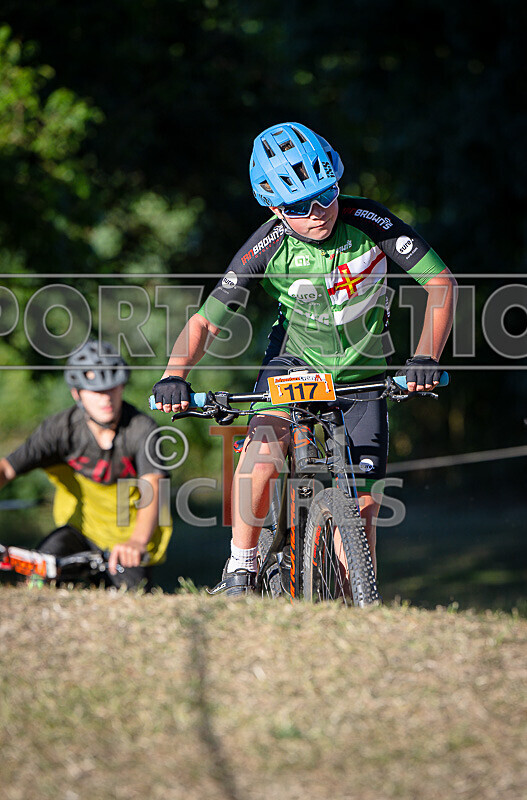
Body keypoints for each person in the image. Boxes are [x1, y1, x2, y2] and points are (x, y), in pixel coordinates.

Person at [152, 121, 457, 595]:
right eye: (299, 206)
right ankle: (242, 567)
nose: (319, 212)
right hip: (293, 363)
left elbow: (441, 284)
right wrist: (174, 376)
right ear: (275, 207)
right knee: (264, 449)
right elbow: (207, 322)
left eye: (328, 194)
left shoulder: (370, 222)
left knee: (362, 511)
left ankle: (357, 612)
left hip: (361, 375)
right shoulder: (267, 245)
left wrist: (424, 356)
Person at [0, 340, 172, 590]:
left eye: (112, 388)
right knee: (44, 564)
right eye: (96, 391)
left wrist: (137, 541)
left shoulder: (141, 429)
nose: (106, 398)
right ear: (77, 393)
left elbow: (154, 488)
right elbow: (6, 469)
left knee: (130, 599)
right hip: (78, 533)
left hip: (128, 542)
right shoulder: (61, 429)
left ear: (122, 386)